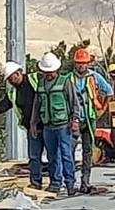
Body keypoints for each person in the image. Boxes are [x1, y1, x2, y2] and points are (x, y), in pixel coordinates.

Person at [0, 62, 44, 189]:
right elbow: (3, 106)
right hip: (32, 128)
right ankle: (36, 183)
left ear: (18, 73)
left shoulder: (35, 79)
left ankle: (56, 182)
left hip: (47, 124)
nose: (11, 81)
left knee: (54, 155)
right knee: (34, 157)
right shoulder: (13, 92)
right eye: (9, 80)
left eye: (12, 78)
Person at [30, 53, 80, 195]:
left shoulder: (65, 82)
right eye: (46, 72)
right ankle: (55, 183)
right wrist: (33, 123)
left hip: (63, 126)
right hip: (48, 126)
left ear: (56, 70)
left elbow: (74, 102)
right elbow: (37, 105)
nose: (48, 74)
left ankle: (70, 183)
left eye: (51, 72)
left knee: (66, 155)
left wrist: (75, 119)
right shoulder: (40, 84)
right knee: (52, 156)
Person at [67, 48, 113, 193]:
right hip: (73, 119)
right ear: (75, 63)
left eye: (84, 63)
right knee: (69, 150)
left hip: (89, 118)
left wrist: (103, 109)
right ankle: (70, 183)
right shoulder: (69, 78)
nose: (81, 66)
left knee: (87, 151)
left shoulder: (95, 77)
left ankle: (85, 182)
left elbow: (109, 92)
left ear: (88, 63)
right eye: (79, 63)